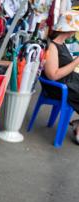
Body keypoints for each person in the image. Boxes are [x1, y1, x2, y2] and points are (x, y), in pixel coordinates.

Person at [43, 11, 79, 143]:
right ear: (70, 30)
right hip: (59, 87)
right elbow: (52, 75)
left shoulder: (61, 44)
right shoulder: (52, 46)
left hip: (68, 81)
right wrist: (75, 62)